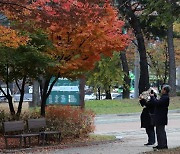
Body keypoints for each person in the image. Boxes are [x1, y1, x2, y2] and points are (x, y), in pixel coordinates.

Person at [150, 85, 171, 150]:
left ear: (164, 90)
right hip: (160, 117)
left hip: (161, 117)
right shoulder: (164, 97)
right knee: (159, 131)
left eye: (162, 89)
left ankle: (162, 145)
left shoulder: (165, 97)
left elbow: (157, 103)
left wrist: (153, 97)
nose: (161, 90)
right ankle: (161, 144)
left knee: (160, 131)